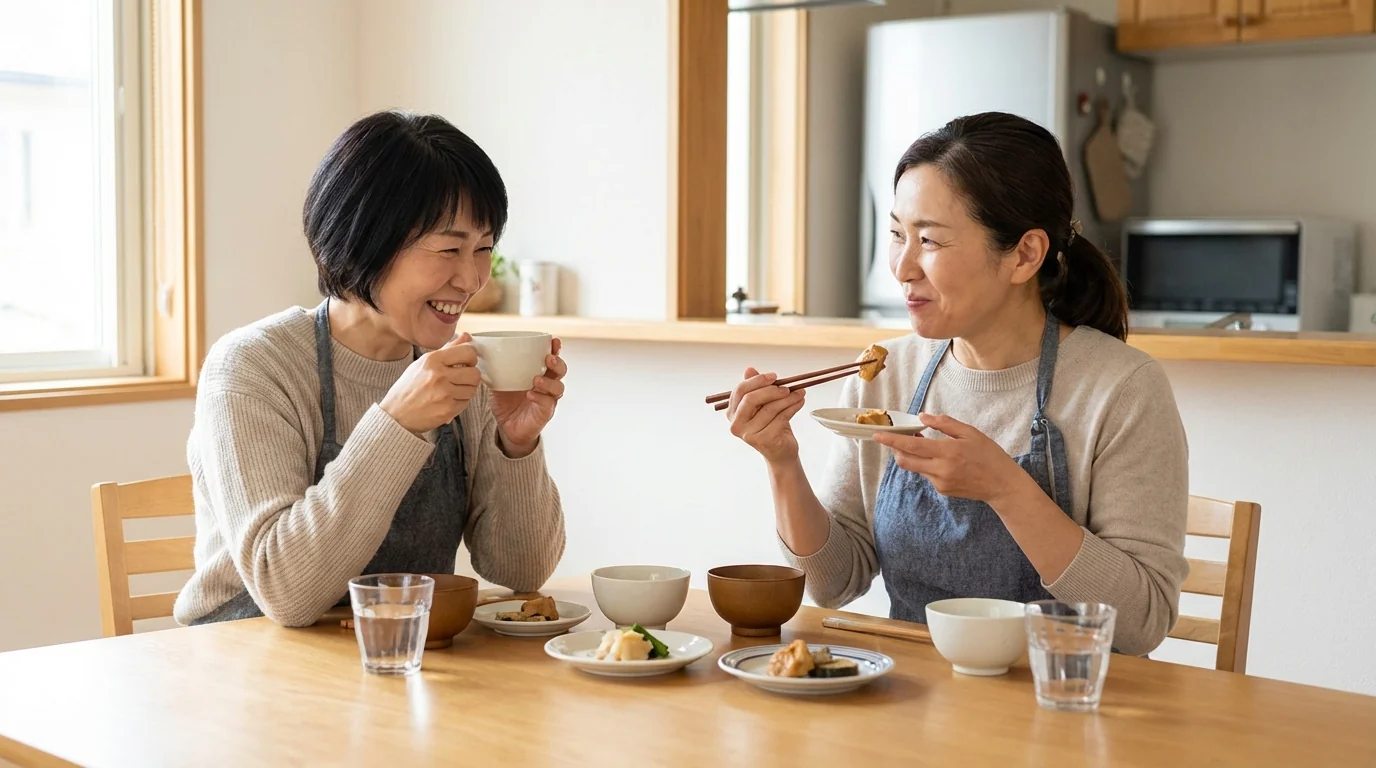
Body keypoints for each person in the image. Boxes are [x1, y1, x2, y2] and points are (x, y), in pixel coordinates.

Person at [725, 112, 1188, 656]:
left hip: (1060, 696)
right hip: (915, 691)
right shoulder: (885, 372)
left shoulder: (1122, 389)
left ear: (1024, 254)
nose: (902, 267)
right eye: (897, 235)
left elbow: (1140, 624)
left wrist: (1007, 490)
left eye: (930, 240)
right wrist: (782, 462)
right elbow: (834, 582)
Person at [174, 110, 567, 627]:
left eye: (483, 249)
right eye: (450, 248)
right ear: (367, 241)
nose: (471, 278)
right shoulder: (253, 366)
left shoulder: (461, 370)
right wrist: (396, 424)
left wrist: (515, 446)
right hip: (247, 655)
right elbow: (287, 594)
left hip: (396, 657)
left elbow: (522, 571)